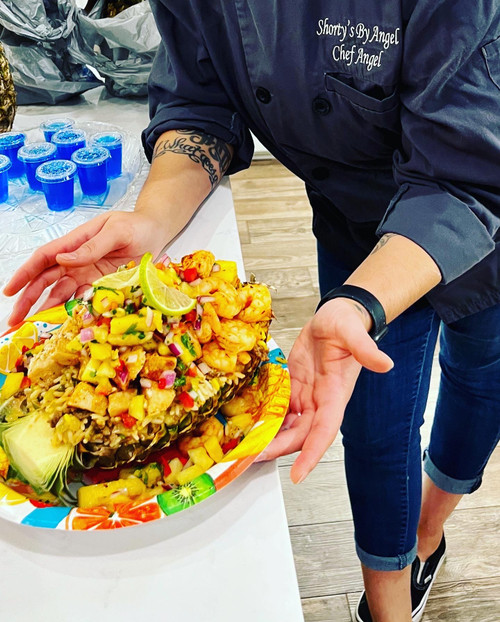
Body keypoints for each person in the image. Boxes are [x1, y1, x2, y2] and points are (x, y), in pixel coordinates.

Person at [4, 2, 499, 621]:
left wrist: (370, 296)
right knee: (370, 424)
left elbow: (466, 171)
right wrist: (152, 219)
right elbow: (200, 105)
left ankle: (430, 526)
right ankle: (390, 605)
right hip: (355, 217)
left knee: (482, 376)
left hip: (482, 189)